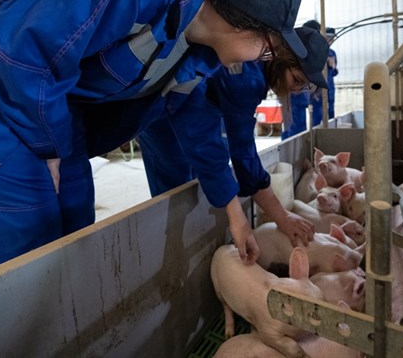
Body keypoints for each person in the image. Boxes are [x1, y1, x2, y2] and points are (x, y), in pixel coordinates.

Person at [0, 0, 308, 271]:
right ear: (247, 25)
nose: (264, 58)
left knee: (75, 208)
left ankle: (64, 324)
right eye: (268, 47)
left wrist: (235, 217)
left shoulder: (196, 56)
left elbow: (201, 138)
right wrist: (48, 149)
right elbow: (25, 48)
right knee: (28, 208)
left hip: (45, 94)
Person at [138, 27, 329, 251]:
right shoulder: (248, 77)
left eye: (303, 86)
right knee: (177, 186)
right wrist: (277, 217)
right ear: (281, 58)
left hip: (181, 103)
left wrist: (278, 215)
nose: (296, 90)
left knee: (198, 177)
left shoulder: (256, 66)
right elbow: (242, 154)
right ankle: (174, 250)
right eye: (296, 79)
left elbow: (237, 151)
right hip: (162, 115)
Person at [310, 26, 339, 126]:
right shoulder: (316, 51)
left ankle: (329, 137)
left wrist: (333, 66)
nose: (330, 40)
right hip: (318, 89)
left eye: (332, 38)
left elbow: (334, 72)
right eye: (328, 37)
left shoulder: (332, 53)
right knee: (317, 117)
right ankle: (316, 137)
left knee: (330, 115)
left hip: (330, 89)